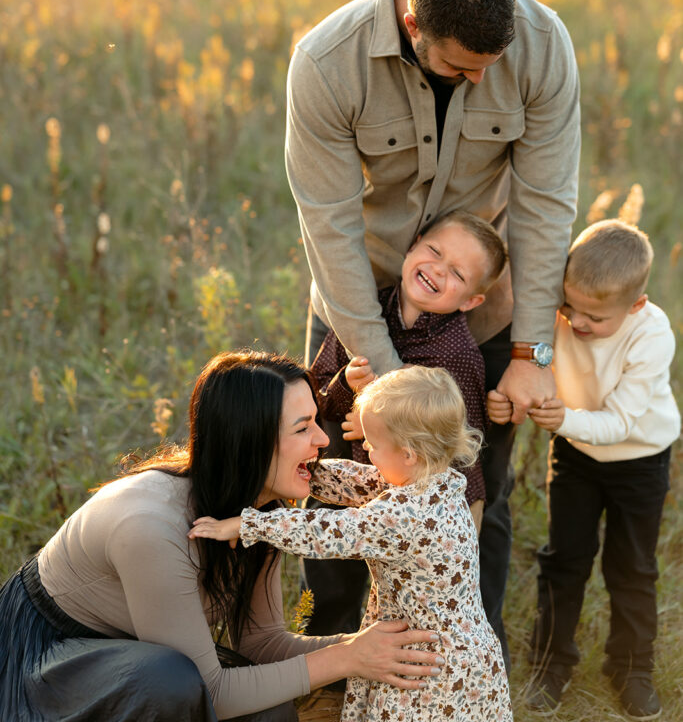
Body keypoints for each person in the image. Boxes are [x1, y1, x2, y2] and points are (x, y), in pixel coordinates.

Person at [285, 0, 581, 657]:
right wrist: (382, 377)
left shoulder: (543, 46)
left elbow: (545, 205)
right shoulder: (326, 63)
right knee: (334, 477)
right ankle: (330, 658)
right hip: (361, 306)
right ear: (413, 26)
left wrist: (530, 352)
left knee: (475, 487)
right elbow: (328, 225)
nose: (479, 79)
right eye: (461, 68)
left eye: (490, 67)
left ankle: (471, 659)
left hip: (483, 311)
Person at [0, 351, 444, 722]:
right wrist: (348, 657)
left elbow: (263, 644)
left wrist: (371, 646)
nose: (322, 440)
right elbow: (208, 689)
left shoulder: (261, 510)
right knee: (170, 680)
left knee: (271, 709)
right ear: (249, 441)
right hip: (48, 662)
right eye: (302, 427)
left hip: (139, 659)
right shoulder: (149, 527)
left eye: (316, 421)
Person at [189, 365, 513, 722]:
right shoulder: (437, 483)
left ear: (408, 454)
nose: (368, 452)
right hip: (466, 654)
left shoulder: (405, 516)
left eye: (373, 446)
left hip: (427, 670)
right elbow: (359, 480)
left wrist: (250, 523)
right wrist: (302, 471)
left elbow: (328, 530)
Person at [488, 220, 680, 719]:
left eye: (594, 316)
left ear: (636, 305)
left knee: (631, 567)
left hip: (639, 460)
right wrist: (509, 399)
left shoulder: (652, 335)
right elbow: (533, 364)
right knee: (564, 559)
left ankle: (631, 669)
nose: (577, 322)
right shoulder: (562, 312)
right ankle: (551, 665)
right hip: (575, 455)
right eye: (569, 307)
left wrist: (564, 420)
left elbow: (620, 422)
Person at [309, 209, 508, 533]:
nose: (438, 270)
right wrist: (345, 383)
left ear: (471, 301)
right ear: (413, 245)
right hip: (352, 491)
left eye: (457, 274)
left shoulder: (458, 356)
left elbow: (459, 446)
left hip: (419, 517)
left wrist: (379, 425)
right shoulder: (362, 313)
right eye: (435, 251)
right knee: (330, 547)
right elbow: (317, 400)